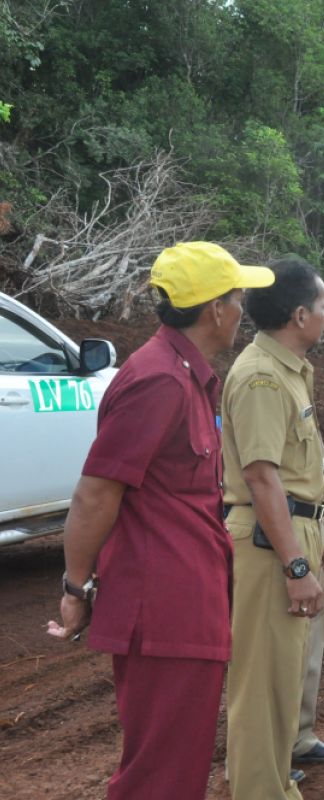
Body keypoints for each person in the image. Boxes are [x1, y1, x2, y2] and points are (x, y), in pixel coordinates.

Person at [46, 242, 274, 800]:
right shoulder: (159, 381)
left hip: (186, 598)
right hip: (165, 606)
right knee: (161, 772)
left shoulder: (185, 375)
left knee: (179, 758)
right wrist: (76, 587)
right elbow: (95, 494)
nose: (242, 309)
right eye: (238, 298)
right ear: (214, 309)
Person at [221, 256, 324, 799]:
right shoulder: (261, 378)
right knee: (261, 690)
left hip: (289, 533)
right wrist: (295, 563)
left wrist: (311, 546)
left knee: (285, 681)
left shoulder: (289, 369)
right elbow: (261, 479)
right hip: (267, 544)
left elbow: (295, 475)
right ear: (300, 316)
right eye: (323, 308)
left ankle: (275, 788)